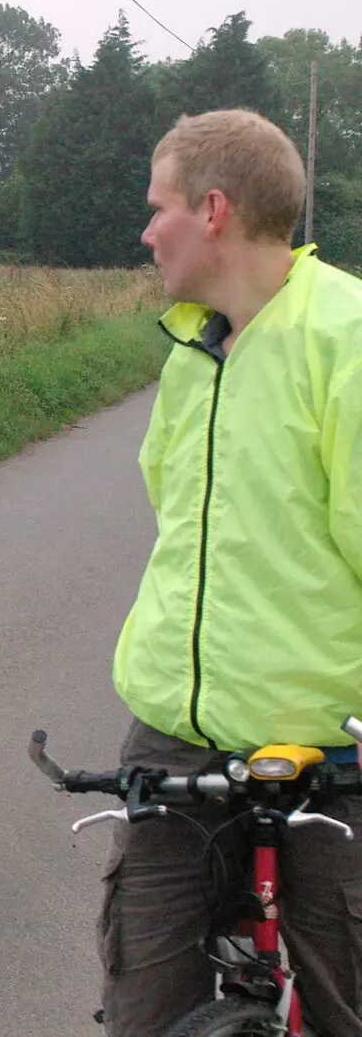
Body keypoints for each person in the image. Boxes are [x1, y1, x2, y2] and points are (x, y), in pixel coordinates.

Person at [103, 109, 362, 1035]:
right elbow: (181, 523)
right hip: (175, 733)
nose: (145, 231)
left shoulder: (347, 337)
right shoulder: (192, 350)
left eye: (157, 207)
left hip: (330, 747)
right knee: (142, 1007)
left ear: (213, 210)